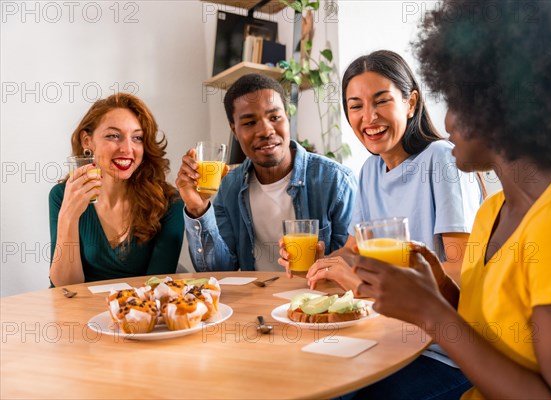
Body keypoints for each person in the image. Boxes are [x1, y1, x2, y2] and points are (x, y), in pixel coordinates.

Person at [351, 1, 551, 399]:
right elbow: (492, 331)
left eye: (456, 100)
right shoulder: (491, 213)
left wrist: (431, 314)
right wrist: (440, 292)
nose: (446, 124)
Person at [281, 50, 482, 291]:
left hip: (437, 319)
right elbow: (352, 251)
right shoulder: (370, 170)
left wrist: (365, 285)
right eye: (356, 106)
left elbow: (462, 270)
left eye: (382, 101)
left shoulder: (442, 159)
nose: (369, 117)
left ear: (411, 103)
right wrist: (320, 264)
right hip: (386, 313)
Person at [177, 74, 357, 271]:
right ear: (234, 130)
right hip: (257, 300)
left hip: (316, 299)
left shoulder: (336, 181)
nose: (265, 130)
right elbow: (218, 272)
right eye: (249, 123)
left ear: (288, 117)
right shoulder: (229, 187)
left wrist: (324, 265)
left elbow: (354, 263)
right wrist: (198, 209)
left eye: (274, 117)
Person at [49, 93, 184, 286]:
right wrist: (68, 216)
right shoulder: (61, 195)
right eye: (113, 136)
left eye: (137, 138)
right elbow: (65, 286)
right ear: (87, 141)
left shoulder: (169, 203)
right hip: (77, 312)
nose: (127, 149)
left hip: (138, 313)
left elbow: (155, 289)